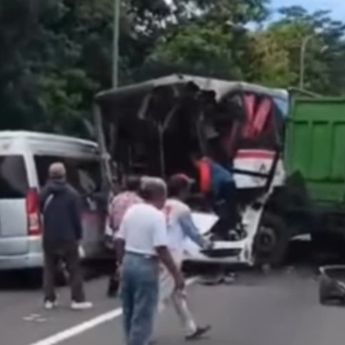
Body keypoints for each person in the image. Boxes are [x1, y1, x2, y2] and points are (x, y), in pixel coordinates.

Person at [115, 177, 184, 345]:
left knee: (129, 310)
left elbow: (119, 239)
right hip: (146, 263)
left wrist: (120, 263)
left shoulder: (132, 211)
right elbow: (161, 248)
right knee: (144, 312)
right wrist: (176, 274)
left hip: (129, 260)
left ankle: (129, 341)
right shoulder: (157, 216)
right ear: (160, 195)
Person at [157, 174, 211, 341]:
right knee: (160, 296)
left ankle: (190, 329)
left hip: (159, 250)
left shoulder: (160, 205)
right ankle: (141, 332)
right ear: (182, 190)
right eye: (187, 187)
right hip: (171, 254)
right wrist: (207, 245)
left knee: (177, 293)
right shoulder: (182, 208)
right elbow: (192, 232)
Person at [40, 162, 92, 310]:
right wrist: (79, 236)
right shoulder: (72, 194)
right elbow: (76, 218)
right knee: (73, 268)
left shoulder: (44, 193)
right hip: (68, 235)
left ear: (50, 175)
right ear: (64, 174)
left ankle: (49, 299)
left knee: (49, 268)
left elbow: (40, 210)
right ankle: (77, 299)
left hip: (49, 236)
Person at [106, 175, 143, 297]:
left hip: (118, 233)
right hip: (134, 234)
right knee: (135, 260)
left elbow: (110, 215)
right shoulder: (140, 201)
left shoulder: (116, 199)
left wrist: (112, 229)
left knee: (120, 261)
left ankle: (114, 284)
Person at [192, 154, 239, 239]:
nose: (195, 167)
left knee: (223, 208)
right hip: (229, 183)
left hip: (225, 185)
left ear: (196, 160)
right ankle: (230, 228)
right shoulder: (210, 163)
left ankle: (224, 231)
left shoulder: (204, 164)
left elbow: (206, 184)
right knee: (229, 207)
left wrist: (203, 196)